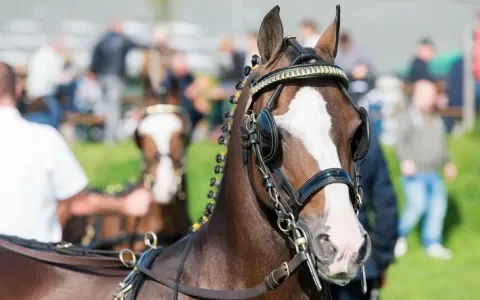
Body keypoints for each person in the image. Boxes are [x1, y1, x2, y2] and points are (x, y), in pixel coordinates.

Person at [0, 62, 152, 243]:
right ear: (17, 90)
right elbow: (79, 203)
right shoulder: (45, 138)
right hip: (32, 261)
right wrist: (126, 204)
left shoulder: (46, 137)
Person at [330, 121, 398, 300]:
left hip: (310, 263)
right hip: (358, 262)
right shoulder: (365, 134)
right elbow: (386, 204)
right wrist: (381, 258)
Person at [394, 80, 457, 260]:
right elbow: (400, 141)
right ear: (416, 97)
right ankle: (398, 236)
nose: (431, 98)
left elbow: (442, 145)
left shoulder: (436, 118)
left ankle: (432, 242)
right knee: (417, 205)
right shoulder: (409, 116)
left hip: (434, 173)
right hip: (415, 174)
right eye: (427, 95)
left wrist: (448, 163)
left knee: (438, 208)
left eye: (432, 95)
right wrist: (405, 160)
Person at [89, 17, 151, 146]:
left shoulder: (102, 40)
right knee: (113, 108)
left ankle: (105, 136)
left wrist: (94, 72)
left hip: (102, 78)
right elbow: (138, 44)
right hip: (115, 78)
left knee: (105, 106)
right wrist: (155, 45)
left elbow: (94, 59)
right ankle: (109, 140)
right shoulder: (121, 39)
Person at [24, 37, 66, 129]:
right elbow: (53, 77)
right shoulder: (49, 56)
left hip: (38, 91)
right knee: (54, 114)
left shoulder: (43, 54)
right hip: (43, 92)